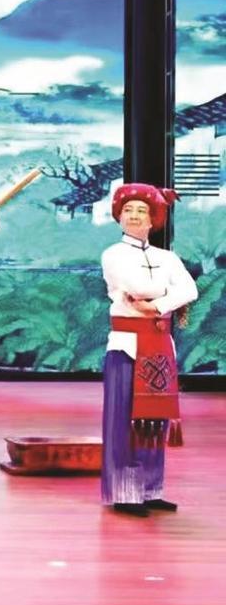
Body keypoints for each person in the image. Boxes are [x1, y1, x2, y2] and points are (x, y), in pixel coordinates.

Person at [100, 183, 197, 517]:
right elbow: (136, 286)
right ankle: (126, 493)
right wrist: (165, 294)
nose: (134, 216)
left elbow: (189, 290)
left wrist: (155, 306)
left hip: (159, 345)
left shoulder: (166, 257)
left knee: (154, 423)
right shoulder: (113, 255)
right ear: (119, 217)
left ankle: (151, 489)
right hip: (127, 347)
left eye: (142, 210)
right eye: (128, 210)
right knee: (124, 421)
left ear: (154, 219)